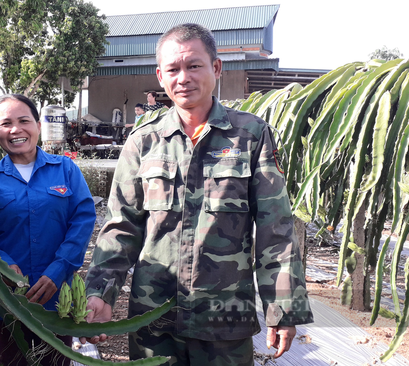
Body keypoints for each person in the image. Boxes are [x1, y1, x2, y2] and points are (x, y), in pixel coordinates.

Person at [82, 23, 313, 365]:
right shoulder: (143, 141)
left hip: (224, 321)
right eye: (173, 69)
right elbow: (121, 227)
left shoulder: (250, 136)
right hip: (154, 320)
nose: (183, 78)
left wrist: (284, 307)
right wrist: (100, 292)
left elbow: (275, 231)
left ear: (216, 68)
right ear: (160, 76)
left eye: (194, 66)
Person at [0, 94, 96, 366]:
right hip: (8, 301)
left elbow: (83, 220)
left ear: (38, 125)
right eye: (6, 124)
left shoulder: (65, 170)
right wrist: (2, 265)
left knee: (57, 362)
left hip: (57, 298)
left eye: (24, 121)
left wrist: (58, 270)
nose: (16, 130)